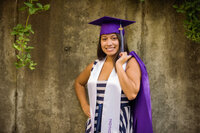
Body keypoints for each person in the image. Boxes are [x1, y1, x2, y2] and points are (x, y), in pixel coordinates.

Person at [75, 16, 153, 133]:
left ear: (121, 40)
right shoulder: (95, 66)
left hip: (118, 122)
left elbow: (131, 94)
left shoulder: (130, 63)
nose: (109, 43)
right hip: (95, 123)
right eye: (104, 39)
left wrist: (118, 66)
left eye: (113, 38)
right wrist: (85, 105)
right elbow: (79, 83)